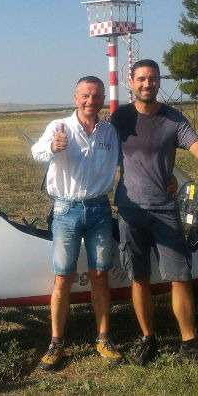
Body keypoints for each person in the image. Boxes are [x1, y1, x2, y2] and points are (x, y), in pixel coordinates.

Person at [110, 59, 198, 367]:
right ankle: (148, 338)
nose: (147, 84)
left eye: (152, 78)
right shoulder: (120, 118)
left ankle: (190, 345)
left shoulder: (173, 118)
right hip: (131, 209)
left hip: (165, 209)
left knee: (180, 277)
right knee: (139, 277)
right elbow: (100, 149)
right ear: (131, 83)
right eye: (141, 79)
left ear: (159, 81)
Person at [31, 76, 122, 370]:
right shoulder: (60, 127)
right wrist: (53, 147)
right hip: (66, 210)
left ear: (103, 99)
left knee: (100, 275)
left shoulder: (109, 132)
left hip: (99, 209)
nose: (90, 101)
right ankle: (56, 343)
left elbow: (128, 161)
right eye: (85, 95)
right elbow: (36, 152)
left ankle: (104, 338)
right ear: (76, 98)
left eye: (96, 96)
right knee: (63, 278)